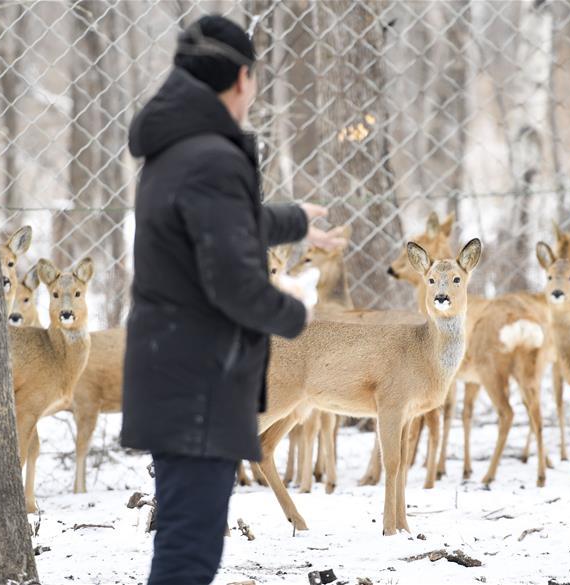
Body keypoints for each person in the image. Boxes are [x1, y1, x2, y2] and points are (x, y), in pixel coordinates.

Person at [121, 15, 344, 585]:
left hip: (171, 370)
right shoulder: (213, 159)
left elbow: (218, 223)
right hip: (201, 381)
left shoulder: (176, 150)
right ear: (242, 79)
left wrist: (293, 221)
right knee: (189, 557)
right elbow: (235, 284)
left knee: (182, 545)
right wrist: (299, 313)